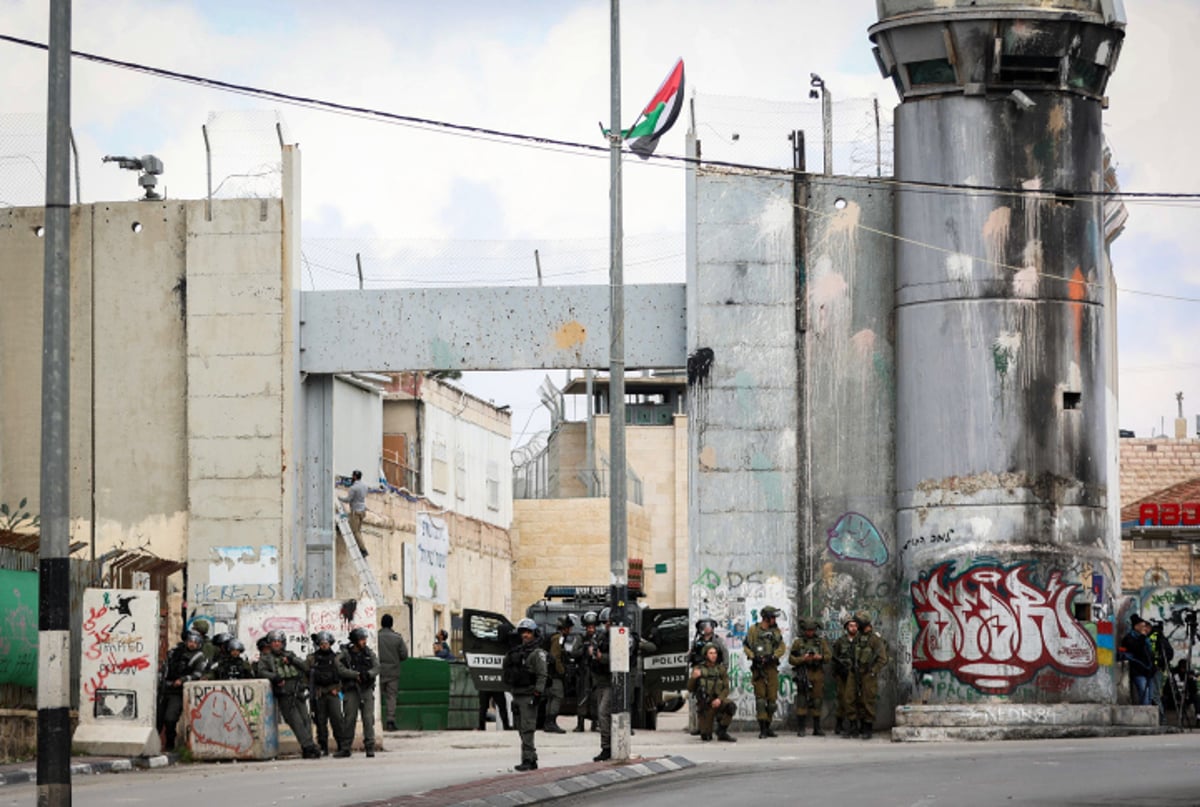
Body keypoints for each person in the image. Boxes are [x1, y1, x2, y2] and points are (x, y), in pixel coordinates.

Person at [258, 629, 321, 759]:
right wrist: (275, 678)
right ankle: (308, 746)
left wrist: (292, 660)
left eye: (279, 642)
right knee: (295, 721)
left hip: (297, 690)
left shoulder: (290, 655)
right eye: (274, 642)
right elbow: (261, 672)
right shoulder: (266, 658)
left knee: (306, 720)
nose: (276, 644)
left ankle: (309, 744)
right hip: (284, 693)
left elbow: (305, 667)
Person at [504, 618, 548, 772]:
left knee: (527, 728)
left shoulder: (537, 653)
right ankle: (530, 757)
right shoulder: (516, 652)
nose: (525, 635)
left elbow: (542, 675)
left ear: (534, 633)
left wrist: (538, 693)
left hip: (529, 695)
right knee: (521, 728)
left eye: (528, 632)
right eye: (523, 632)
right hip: (517, 694)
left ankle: (528, 759)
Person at [156, 630, 207, 751]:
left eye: (195, 642)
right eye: (190, 641)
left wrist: (183, 680)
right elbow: (165, 667)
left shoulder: (198, 657)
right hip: (165, 689)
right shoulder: (175, 652)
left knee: (170, 718)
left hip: (178, 692)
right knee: (158, 719)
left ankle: (169, 745)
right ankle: (155, 746)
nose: (192, 644)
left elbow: (197, 674)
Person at [337, 627, 381, 758]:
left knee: (368, 719)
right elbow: (339, 668)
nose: (364, 642)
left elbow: (377, 667)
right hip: (351, 690)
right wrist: (354, 675)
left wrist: (368, 674)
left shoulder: (368, 653)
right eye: (362, 639)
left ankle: (370, 746)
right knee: (349, 719)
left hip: (366, 689)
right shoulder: (345, 654)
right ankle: (345, 748)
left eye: (365, 639)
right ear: (355, 641)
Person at [744, 605, 785, 738]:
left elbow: (782, 647)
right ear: (766, 618)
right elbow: (746, 646)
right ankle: (762, 729)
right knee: (761, 700)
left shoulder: (776, 631)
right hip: (758, 669)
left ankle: (768, 726)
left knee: (772, 701)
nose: (774, 619)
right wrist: (753, 657)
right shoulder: (753, 630)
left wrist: (773, 656)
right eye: (772, 617)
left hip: (771, 668)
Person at [788, 618, 831, 737]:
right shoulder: (798, 642)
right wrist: (803, 659)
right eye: (808, 630)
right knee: (802, 700)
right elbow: (791, 659)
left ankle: (817, 728)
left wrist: (819, 657)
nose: (810, 633)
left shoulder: (821, 642)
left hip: (817, 673)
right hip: (804, 672)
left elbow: (828, 656)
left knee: (817, 700)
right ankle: (801, 728)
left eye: (812, 630)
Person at [308, 631, 348, 757]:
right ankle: (323, 746)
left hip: (333, 692)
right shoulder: (312, 659)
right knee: (320, 721)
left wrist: (338, 689)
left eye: (326, 643)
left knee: (337, 719)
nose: (324, 645)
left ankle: (342, 745)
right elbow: (308, 676)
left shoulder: (336, 658)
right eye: (322, 643)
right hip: (320, 693)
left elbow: (342, 675)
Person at [688, 643, 737, 742]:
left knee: (731, 706)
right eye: (710, 653)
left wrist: (719, 699)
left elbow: (726, 688)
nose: (713, 655)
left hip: (718, 701)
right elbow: (690, 688)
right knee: (706, 737)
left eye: (715, 653)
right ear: (706, 655)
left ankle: (722, 732)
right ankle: (706, 728)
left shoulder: (720, 669)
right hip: (705, 705)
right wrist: (693, 678)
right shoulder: (698, 669)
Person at [687, 618, 727, 736]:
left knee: (715, 697)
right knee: (701, 700)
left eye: (709, 626)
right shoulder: (697, 641)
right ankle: (702, 726)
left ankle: (719, 726)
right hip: (700, 671)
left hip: (714, 672)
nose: (707, 628)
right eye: (705, 626)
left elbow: (725, 654)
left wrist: (723, 669)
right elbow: (692, 656)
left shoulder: (717, 641)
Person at [852, 611, 887, 740]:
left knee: (868, 701)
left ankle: (868, 728)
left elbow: (883, 658)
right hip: (858, 672)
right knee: (859, 701)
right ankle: (861, 726)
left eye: (858, 623)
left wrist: (873, 671)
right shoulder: (858, 637)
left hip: (868, 674)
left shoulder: (875, 638)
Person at [377, 614, 409, 732]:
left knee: (376, 697)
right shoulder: (397, 638)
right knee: (391, 697)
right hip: (393, 672)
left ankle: (375, 721)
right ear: (391, 624)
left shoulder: (376, 637)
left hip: (378, 671)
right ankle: (390, 721)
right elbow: (404, 655)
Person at [572, 611, 600, 733]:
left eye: (593, 627)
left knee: (596, 697)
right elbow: (574, 652)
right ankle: (580, 723)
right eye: (589, 627)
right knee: (582, 697)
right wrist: (584, 648)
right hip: (583, 671)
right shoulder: (580, 638)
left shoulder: (600, 637)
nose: (591, 629)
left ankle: (595, 723)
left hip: (595, 671)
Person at [543, 616, 572, 733]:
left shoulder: (555, 637)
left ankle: (548, 722)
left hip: (549, 673)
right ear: (565, 628)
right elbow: (556, 657)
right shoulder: (558, 638)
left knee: (551, 697)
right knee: (557, 696)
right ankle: (551, 722)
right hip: (554, 674)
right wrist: (562, 672)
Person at [1120, 615, 1155, 706]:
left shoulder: (1146, 639)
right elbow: (1137, 649)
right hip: (1138, 671)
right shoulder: (1129, 638)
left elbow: (1149, 655)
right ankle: (1145, 716)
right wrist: (1142, 636)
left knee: (1150, 695)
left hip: (1148, 671)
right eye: (1142, 626)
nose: (1145, 629)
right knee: (1144, 692)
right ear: (1136, 626)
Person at [338, 469, 370, 557]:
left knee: (355, 532)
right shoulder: (365, 486)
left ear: (355, 477)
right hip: (363, 511)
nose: (352, 477)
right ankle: (361, 547)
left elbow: (348, 500)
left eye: (352, 476)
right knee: (358, 531)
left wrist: (339, 498)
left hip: (355, 512)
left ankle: (363, 550)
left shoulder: (353, 488)